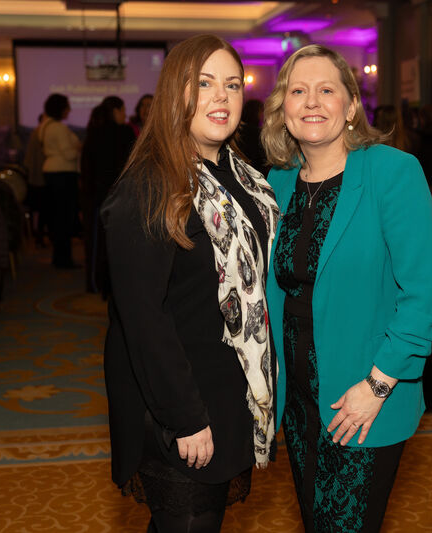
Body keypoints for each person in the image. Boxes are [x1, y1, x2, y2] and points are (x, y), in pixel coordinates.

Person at [261, 45, 432, 533]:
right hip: (298, 402)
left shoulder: (391, 172)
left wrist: (379, 384)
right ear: (283, 109)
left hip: (362, 399)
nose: (312, 102)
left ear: (350, 106)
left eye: (326, 90)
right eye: (298, 91)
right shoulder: (275, 184)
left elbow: (424, 297)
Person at [101, 34, 280, 533]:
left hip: (227, 390)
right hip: (179, 400)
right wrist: (185, 416)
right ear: (175, 93)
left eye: (232, 84)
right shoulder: (152, 185)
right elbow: (142, 318)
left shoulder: (241, 178)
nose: (221, 97)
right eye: (203, 84)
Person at [80, 96, 135, 294]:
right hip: (122, 197)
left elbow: (87, 169)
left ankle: (96, 283)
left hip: (98, 196)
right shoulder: (126, 133)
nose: (125, 114)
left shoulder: (94, 134)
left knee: (96, 243)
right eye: (122, 110)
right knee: (121, 243)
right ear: (114, 111)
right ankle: (117, 284)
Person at [40, 93, 81, 268]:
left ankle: (60, 258)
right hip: (63, 174)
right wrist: (79, 147)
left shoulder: (45, 126)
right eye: (67, 106)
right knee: (64, 219)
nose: (69, 110)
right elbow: (69, 153)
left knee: (58, 218)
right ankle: (64, 260)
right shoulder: (58, 128)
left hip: (52, 172)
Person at [22, 113, 49, 246]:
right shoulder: (40, 133)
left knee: (39, 207)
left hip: (36, 177)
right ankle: (39, 234)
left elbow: (28, 160)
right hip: (41, 176)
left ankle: (38, 234)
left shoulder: (36, 133)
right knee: (43, 207)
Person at [235, 99, 269, 175]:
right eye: (262, 111)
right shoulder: (257, 132)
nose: (262, 115)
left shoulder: (237, 130)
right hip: (254, 172)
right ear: (256, 112)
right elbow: (262, 158)